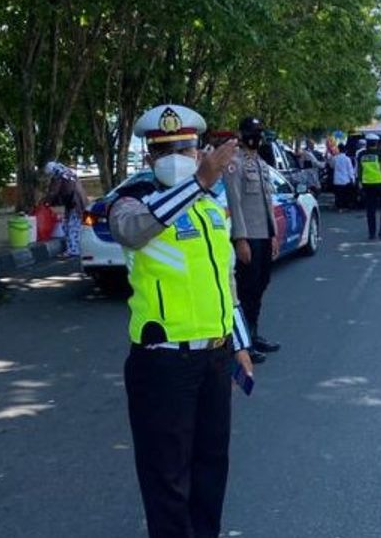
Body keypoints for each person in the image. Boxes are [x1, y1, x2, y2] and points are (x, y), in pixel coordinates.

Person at [108, 103, 253, 538]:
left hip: (214, 356)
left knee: (211, 470)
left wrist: (240, 344)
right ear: (148, 158)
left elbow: (225, 280)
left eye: (185, 148)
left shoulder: (211, 206)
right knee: (167, 479)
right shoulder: (131, 201)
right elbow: (132, 232)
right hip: (162, 363)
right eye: (165, 149)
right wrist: (201, 180)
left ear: (197, 151)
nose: (177, 156)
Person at [223, 116, 281, 365]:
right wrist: (241, 239)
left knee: (260, 287)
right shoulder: (234, 163)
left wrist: (274, 234)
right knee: (246, 291)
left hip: (264, 235)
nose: (256, 137)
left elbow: (267, 202)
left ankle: (253, 335)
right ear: (242, 134)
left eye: (259, 132)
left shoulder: (260, 162)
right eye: (252, 132)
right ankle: (242, 343)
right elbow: (235, 203)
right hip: (249, 238)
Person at [43, 161, 89, 258]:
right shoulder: (69, 173)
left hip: (75, 204)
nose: (50, 176)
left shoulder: (59, 176)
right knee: (73, 227)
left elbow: (55, 192)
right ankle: (76, 249)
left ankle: (73, 250)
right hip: (79, 203)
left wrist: (47, 203)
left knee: (71, 227)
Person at [357, 134, 381, 240]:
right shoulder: (380, 154)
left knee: (370, 210)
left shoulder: (361, 154)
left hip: (367, 184)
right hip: (380, 183)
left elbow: (359, 169)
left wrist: (360, 182)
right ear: (376, 143)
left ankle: (372, 233)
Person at [332, 146, 355, 212]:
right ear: (345, 150)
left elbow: (332, 166)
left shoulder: (335, 158)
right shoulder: (347, 159)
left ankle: (339, 207)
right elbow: (350, 169)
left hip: (337, 180)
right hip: (345, 180)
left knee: (338, 195)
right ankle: (345, 207)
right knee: (345, 195)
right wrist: (352, 179)